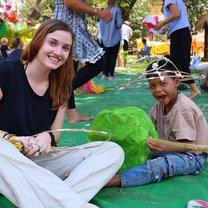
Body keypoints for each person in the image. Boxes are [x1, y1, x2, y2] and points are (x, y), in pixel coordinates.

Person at [0, 19, 124, 208]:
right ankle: (74, 204)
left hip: (36, 162)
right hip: (6, 160)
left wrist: (47, 137)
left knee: (112, 151)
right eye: (53, 43)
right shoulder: (6, 72)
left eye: (65, 48)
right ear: (38, 41)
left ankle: (57, 201)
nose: (58, 52)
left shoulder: (61, 86)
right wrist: (13, 139)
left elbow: (55, 133)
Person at [106, 58, 208, 187]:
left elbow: (188, 145)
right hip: (169, 150)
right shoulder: (158, 107)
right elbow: (148, 128)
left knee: (159, 165)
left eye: (163, 83)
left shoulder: (182, 108)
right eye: (152, 86)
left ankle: (110, 181)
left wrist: (163, 148)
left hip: (191, 157)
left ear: (176, 82)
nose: (158, 90)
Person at [53, 0, 113, 124]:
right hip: (69, 22)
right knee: (98, 62)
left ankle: (71, 112)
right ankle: (60, 93)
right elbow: (70, 2)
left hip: (70, 21)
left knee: (70, 70)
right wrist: (98, 12)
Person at [154, 0, 201, 99]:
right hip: (181, 32)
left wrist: (161, 23)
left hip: (179, 33)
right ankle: (176, 89)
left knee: (179, 62)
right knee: (176, 62)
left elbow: (176, 14)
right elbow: (177, 19)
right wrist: (165, 29)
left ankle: (194, 89)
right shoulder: (178, 1)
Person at [99, 0, 122, 80]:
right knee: (113, 56)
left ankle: (104, 74)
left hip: (105, 38)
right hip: (115, 37)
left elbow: (100, 24)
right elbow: (119, 24)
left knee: (106, 56)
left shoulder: (102, 11)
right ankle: (111, 75)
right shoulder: (116, 10)